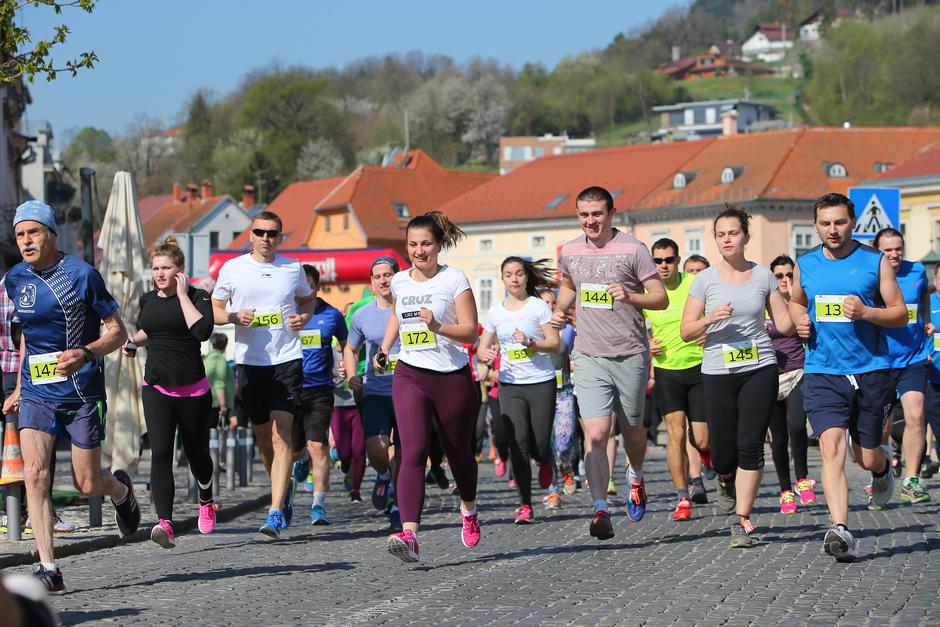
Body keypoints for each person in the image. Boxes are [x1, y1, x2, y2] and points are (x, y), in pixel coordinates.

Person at [2, 201, 140, 593]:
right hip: (36, 391)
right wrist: (17, 387)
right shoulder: (15, 278)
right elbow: (28, 332)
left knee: (85, 482)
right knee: (35, 473)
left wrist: (85, 353)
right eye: (19, 235)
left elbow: (118, 331)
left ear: (51, 233)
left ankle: (119, 490)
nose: (26, 241)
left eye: (33, 232)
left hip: (81, 391)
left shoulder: (83, 275)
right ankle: (49, 568)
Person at [788, 192, 907, 562]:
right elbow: (795, 300)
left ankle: (883, 468)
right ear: (815, 226)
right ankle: (840, 528)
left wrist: (867, 312)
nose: (832, 230)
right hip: (823, 370)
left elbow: (900, 314)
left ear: (852, 222)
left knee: (865, 458)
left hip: (871, 370)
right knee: (831, 447)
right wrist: (800, 321)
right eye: (825, 223)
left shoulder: (874, 261)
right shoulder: (805, 263)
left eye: (839, 222)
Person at [551, 186, 668, 540]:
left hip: (630, 352)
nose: (591, 221)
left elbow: (660, 298)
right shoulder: (570, 250)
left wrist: (630, 295)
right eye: (584, 215)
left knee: (632, 428)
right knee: (597, 433)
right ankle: (600, 507)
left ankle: (635, 475)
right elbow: (570, 286)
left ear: (611, 213)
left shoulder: (633, 248)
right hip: (588, 355)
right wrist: (560, 309)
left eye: (597, 214)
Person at [680, 205, 794, 548]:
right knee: (723, 452)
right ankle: (725, 478)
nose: (727, 239)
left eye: (733, 232)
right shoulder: (704, 280)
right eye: (721, 234)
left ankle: (742, 519)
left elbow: (784, 322)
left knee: (751, 445)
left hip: (759, 367)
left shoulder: (763, 276)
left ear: (746, 236)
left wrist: (801, 314)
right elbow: (686, 331)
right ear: (715, 239)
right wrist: (709, 319)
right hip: (717, 371)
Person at [377, 211, 481, 563]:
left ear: (438, 246)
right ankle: (410, 534)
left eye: (425, 244)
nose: (419, 251)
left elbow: (470, 331)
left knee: (459, 455)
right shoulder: (401, 282)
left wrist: (437, 326)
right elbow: (396, 315)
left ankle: (468, 508)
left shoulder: (455, 280)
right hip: (410, 373)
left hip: (452, 376)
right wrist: (384, 347)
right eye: (412, 245)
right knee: (412, 450)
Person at [211, 210, 316, 538]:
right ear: (251, 235)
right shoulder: (233, 268)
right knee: (263, 439)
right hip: (250, 362)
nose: (266, 238)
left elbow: (308, 299)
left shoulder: (291, 267)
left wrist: (304, 318)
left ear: (280, 237)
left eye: (272, 233)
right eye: (260, 232)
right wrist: (233, 315)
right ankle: (282, 492)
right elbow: (212, 311)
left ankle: (273, 511)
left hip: (286, 359)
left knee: (280, 433)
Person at [125, 236, 216, 548]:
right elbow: (151, 330)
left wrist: (181, 295)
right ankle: (164, 522)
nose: (159, 273)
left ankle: (206, 498)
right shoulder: (148, 300)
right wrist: (133, 342)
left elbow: (202, 332)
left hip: (193, 391)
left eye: (166, 268)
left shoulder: (197, 296)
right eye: (155, 268)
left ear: (180, 271)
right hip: (157, 386)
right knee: (160, 453)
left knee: (196, 455)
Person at [478, 257, 561, 524]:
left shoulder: (538, 307)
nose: (514, 279)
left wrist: (531, 342)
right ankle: (525, 504)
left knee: (537, 444)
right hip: (510, 384)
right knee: (518, 443)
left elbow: (554, 343)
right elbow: (482, 348)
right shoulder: (495, 313)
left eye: (518, 274)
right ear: (502, 279)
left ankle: (546, 460)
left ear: (526, 277)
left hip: (541, 382)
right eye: (508, 274)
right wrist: (486, 355)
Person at [645, 238, 711, 521]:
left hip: (697, 366)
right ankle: (682, 496)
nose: (663, 266)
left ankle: (707, 458)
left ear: (677, 260)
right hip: (667, 370)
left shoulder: (694, 284)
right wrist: (647, 343)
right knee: (675, 434)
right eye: (657, 261)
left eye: (668, 260)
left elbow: (712, 315)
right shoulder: (648, 291)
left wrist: (709, 332)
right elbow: (633, 327)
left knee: (702, 439)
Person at [873, 228, 933, 505]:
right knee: (881, 427)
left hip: (914, 356)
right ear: (878, 252)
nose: (894, 254)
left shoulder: (918, 271)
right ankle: (881, 475)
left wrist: (926, 321)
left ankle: (911, 479)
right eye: (888, 250)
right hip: (882, 359)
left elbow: (923, 299)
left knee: (916, 413)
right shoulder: (872, 275)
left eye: (898, 248)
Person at [344, 256, 403, 531]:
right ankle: (383, 474)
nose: (383, 280)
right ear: (372, 282)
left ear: (397, 276)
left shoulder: (410, 310)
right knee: (377, 450)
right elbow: (350, 348)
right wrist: (352, 374)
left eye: (388, 274)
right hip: (376, 392)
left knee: (405, 450)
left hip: (407, 391)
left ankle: (399, 504)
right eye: (378, 276)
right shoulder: (361, 315)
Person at [291, 264, 348, 524]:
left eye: (309, 285)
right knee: (294, 451)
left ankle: (318, 505)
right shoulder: (287, 313)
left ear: (316, 287)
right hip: (290, 389)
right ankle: (300, 459)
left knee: (318, 446)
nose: (304, 289)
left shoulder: (332, 315)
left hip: (320, 389)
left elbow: (347, 344)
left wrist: (348, 364)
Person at [766, 255, 816, 514]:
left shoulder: (801, 304)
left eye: (789, 275)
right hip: (770, 378)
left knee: (797, 427)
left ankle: (802, 479)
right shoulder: (764, 305)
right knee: (778, 439)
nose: (785, 280)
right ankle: (786, 491)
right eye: (779, 276)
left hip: (797, 372)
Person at [539, 288, 578, 503]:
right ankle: (553, 490)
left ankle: (567, 467)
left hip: (563, 391)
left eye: (552, 302)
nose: (550, 306)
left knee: (563, 441)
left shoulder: (568, 331)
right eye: (545, 302)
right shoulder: (533, 331)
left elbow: (576, 353)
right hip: (541, 391)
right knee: (546, 442)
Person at [204, 333, 235, 429]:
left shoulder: (207, 358)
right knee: (214, 436)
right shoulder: (220, 360)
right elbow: (219, 382)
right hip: (216, 403)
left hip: (206, 400)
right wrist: (223, 405)